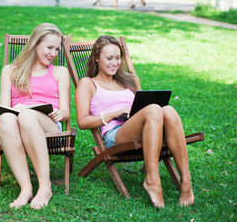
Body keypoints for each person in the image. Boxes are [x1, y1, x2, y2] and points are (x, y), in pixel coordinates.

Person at [75, 35, 194, 208]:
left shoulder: (128, 81)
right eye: (109, 58)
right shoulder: (88, 83)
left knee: (168, 110)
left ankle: (186, 181)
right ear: (96, 58)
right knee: (154, 109)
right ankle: (153, 180)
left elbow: (145, 107)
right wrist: (115, 113)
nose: (114, 63)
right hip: (115, 134)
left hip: (145, 127)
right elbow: (83, 122)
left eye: (117, 58)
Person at [0, 23, 70, 209]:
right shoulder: (10, 70)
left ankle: (45, 187)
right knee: (5, 119)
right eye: (49, 47)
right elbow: (4, 108)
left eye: (57, 49)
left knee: (27, 116)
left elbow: (66, 113)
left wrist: (59, 113)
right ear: (35, 44)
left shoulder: (60, 72)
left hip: (50, 126)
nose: (53, 53)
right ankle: (26, 188)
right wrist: (17, 111)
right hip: (18, 123)